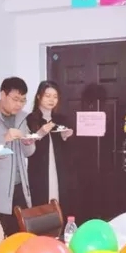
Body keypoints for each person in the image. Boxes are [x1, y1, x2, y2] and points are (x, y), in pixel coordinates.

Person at [0, 77, 36, 236]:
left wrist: (28, 142)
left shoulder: (22, 118)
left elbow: (29, 153)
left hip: (19, 186)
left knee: (21, 236)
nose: (19, 105)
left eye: (23, 100)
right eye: (15, 99)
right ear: (3, 94)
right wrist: (4, 138)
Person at [26, 81, 75, 213]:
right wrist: (40, 133)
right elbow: (26, 147)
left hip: (60, 169)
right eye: (47, 96)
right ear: (38, 96)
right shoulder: (30, 119)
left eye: (55, 96)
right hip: (39, 170)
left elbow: (70, 150)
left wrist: (65, 137)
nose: (51, 100)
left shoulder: (62, 119)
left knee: (61, 201)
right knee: (41, 203)